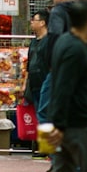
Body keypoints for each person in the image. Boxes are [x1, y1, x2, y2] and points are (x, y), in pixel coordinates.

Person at [28, 0, 87, 172]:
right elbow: (63, 87)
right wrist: (60, 126)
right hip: (78, 124)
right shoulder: (76, 50)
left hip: (63, 122)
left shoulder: (65, 41)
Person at [38, 0, 77, 123]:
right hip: (79, 67)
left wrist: (52, 62)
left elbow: (55, 36)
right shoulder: (81, 11)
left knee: (44, 109)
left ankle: (49, 144)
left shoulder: (58, 11)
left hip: (60, 67)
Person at [25, 9, 50, 159]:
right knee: (40, 116)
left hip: (45, 83)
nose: (32, 23)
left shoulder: (49, 41)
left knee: (45, 115)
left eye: (34, 20)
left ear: (42, 22)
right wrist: (24, 84)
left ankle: (47, 149)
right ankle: (44, 147)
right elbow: (28, 65)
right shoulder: (33, 42)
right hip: (33, 85)